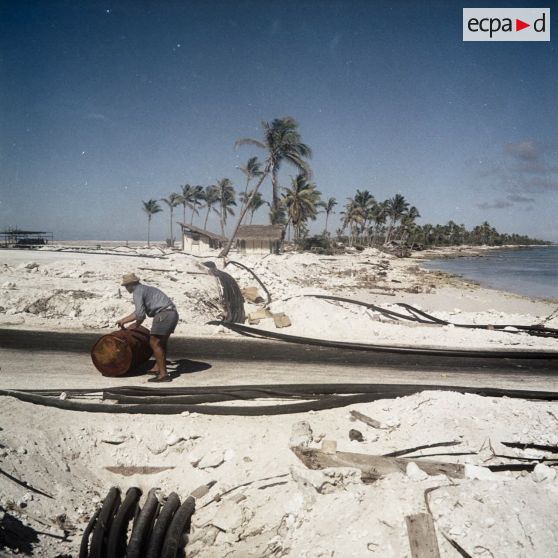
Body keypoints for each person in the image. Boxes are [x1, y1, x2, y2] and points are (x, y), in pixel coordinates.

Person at [116, 273, 179, 382]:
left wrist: (136, 324)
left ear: (131, 284)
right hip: (172, 313)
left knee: (155, 343)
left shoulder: (137, 292)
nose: (126, 289)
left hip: (163, 314)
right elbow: (138, 312)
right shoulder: (144, 289)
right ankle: (157, 367)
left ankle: (163, 375)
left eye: (126, 286)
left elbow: (140, 315)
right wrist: (124, 320)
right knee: (161, 343)